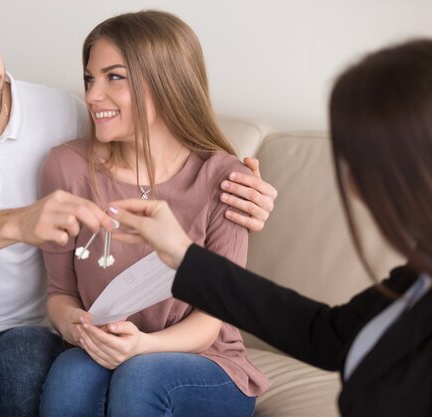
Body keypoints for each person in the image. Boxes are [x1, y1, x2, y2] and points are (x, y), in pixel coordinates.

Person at [0, 1, 277, 417]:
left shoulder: (65, 113)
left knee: (34, 360)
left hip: (20, 340)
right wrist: (21, 222)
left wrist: (250, 191)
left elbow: (160, 140)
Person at [108, 38, 432, 417]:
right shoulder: (417, 280)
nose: (353, 189)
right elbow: (324, 335)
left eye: (359, 164)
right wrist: (183, 255)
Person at [39, 11, 270, 417]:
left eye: (115, 77)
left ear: (166, 82)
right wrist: (77, 326)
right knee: (71, 375)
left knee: (141, 375)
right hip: (102, 350)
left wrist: (142, 346)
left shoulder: (225, 179)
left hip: (205, 360)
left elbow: (210, 321)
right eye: (91, 78)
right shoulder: (66, 167)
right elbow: (60, 294)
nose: (92, 95)